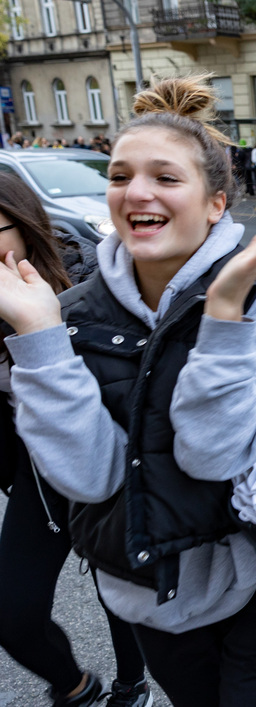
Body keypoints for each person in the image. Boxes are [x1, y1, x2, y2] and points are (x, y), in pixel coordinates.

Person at [0, 75, 256, 706]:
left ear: (216, 203)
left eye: (166, 178)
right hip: (150, 601)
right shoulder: (66, 313)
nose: (137, 192)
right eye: (120, 176)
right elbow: (90, 480)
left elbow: (216, 457)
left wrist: (223, 320)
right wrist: (38, 334)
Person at [0, 175, 152, 707]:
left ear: (23, 224)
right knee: (13, 616)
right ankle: (75, 687)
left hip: (105, 452)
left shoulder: (89, 273)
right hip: (32, 473)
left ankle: (133, 687)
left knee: (120, 590)